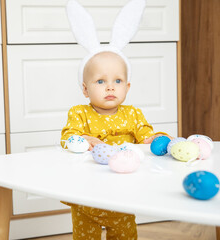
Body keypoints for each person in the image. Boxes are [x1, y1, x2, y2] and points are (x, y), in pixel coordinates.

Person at [61, 0, 170, 239]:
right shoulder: (79, 113)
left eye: (117, 81)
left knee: (124, 233)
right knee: (84, 235)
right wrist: (83, 139)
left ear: (127, 86)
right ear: (85, 89)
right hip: (86, 193)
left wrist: (160, 139)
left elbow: (145, 135)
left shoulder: (132, 114)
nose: (110, 87)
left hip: (122, 192)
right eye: (100, 81)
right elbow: (67, 137)